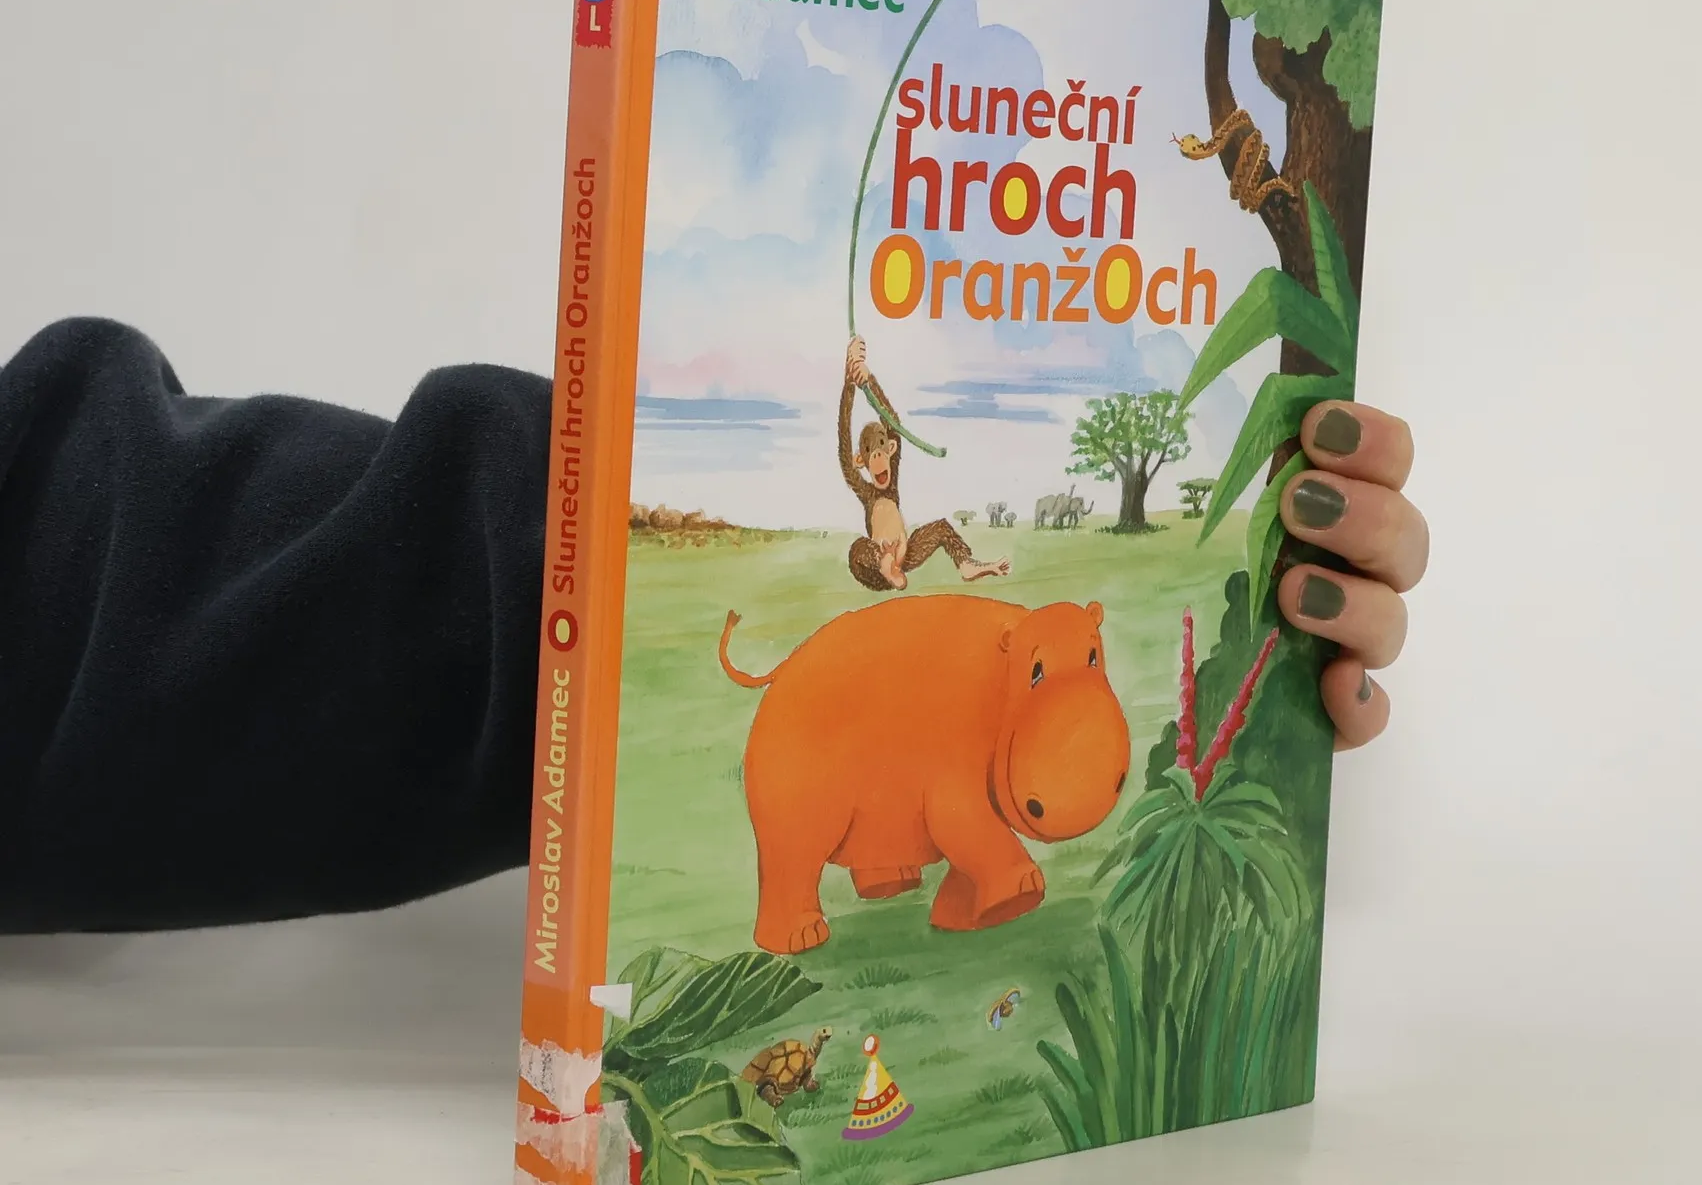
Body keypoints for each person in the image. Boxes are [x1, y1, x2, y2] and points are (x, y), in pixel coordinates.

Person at [0, 317, 1429, 935]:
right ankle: (808, 882)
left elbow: (63, 560)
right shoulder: (870, 487)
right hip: (854, 625)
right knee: (855, 763)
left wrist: (578, 570)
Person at [839, 337, 1009, 591]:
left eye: (882, 450)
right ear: (860, 460)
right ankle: (885, 563)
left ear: (891, 449)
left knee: (941, 528)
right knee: (856, 551)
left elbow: (892, 423)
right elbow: (844, 446)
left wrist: (868, 380)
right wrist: (849, 382)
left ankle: (965, 563)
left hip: (906, 555)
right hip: (876, 568)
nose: (878, 457)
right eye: (871, 454)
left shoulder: (891, 481)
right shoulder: (867, 493)